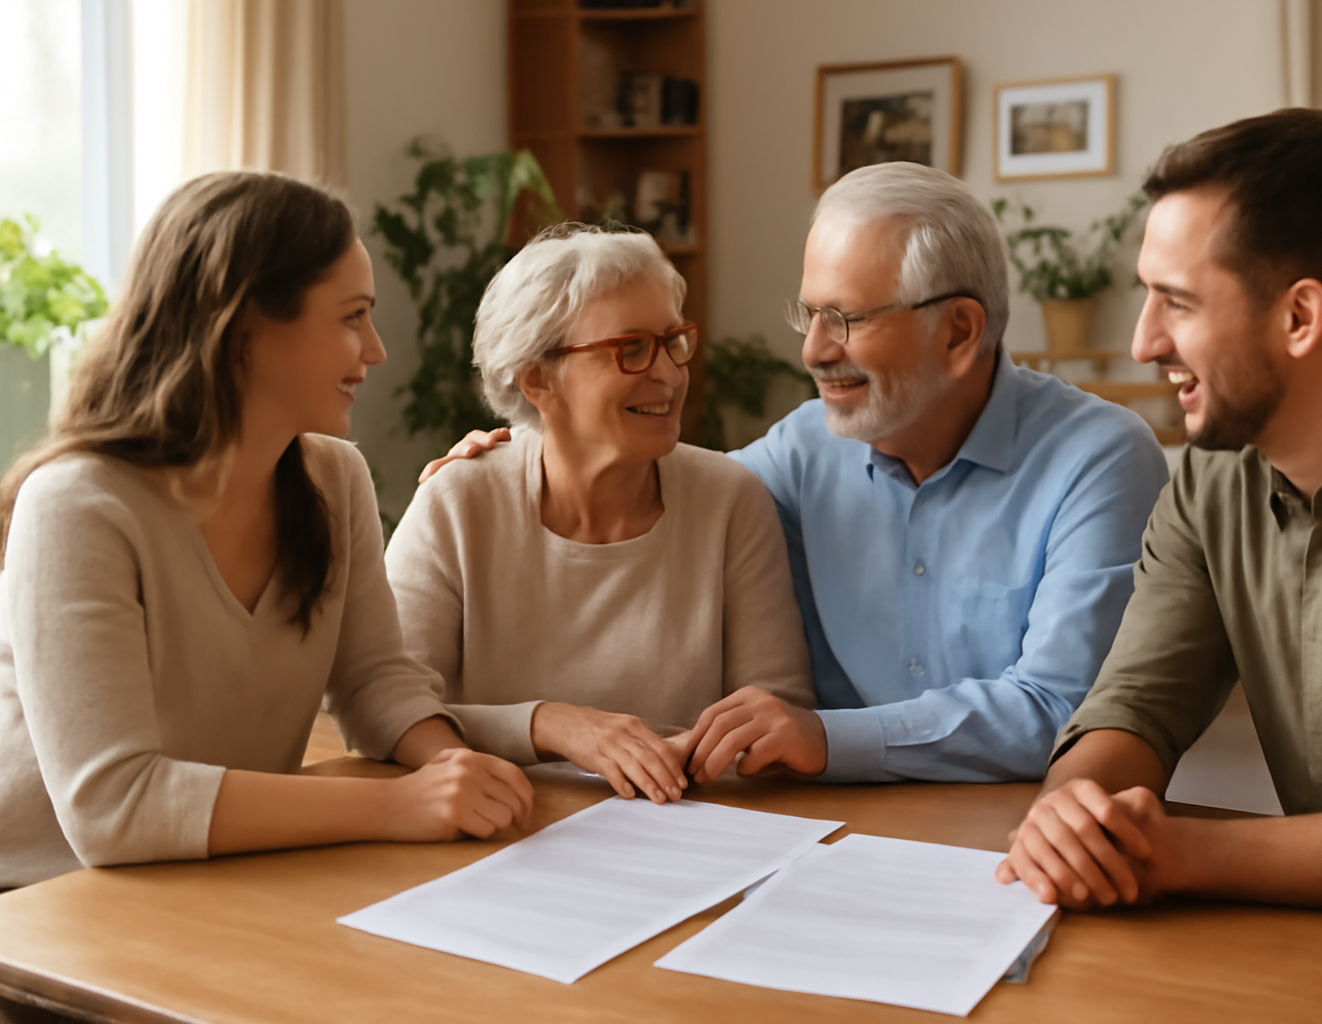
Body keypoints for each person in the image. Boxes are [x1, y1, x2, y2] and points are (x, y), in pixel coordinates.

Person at [423, 163, 1169, 785]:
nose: (813, 351)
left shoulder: (1098, 458)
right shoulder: (800, 451)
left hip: (1024, 830)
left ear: (959, 331)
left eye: (847, 319)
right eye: (809, 314)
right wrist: (525, 449)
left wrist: (827, 737)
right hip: (826, 830)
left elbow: (1063, 711)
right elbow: (662, 491)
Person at [998, 108, 1322, 919]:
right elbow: (1137, 703)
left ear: (1299, 318)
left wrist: (1179, 853)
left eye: (1177, 302)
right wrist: (1073, 812)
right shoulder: (1211, 478)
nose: (1144, 342)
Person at [0, 172, 532, 889]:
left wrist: (452, 766)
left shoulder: (336, 477)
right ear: (244, 327)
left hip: (217, 874)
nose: (376, 350)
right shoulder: (78, 505)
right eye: (352, 317)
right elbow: (114, 807)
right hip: (40, 900)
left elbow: (373, 680)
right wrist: (397, 805)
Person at [384, 225, 813, 806]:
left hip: (684, 822)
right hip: (502, 823)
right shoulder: (458, 502)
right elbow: (388, 703)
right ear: (537, 378)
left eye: (673, 341)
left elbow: (776, 712)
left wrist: (678, 757)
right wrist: (551, 725)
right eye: (630, 349)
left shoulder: (731, 501)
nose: (669, 373)